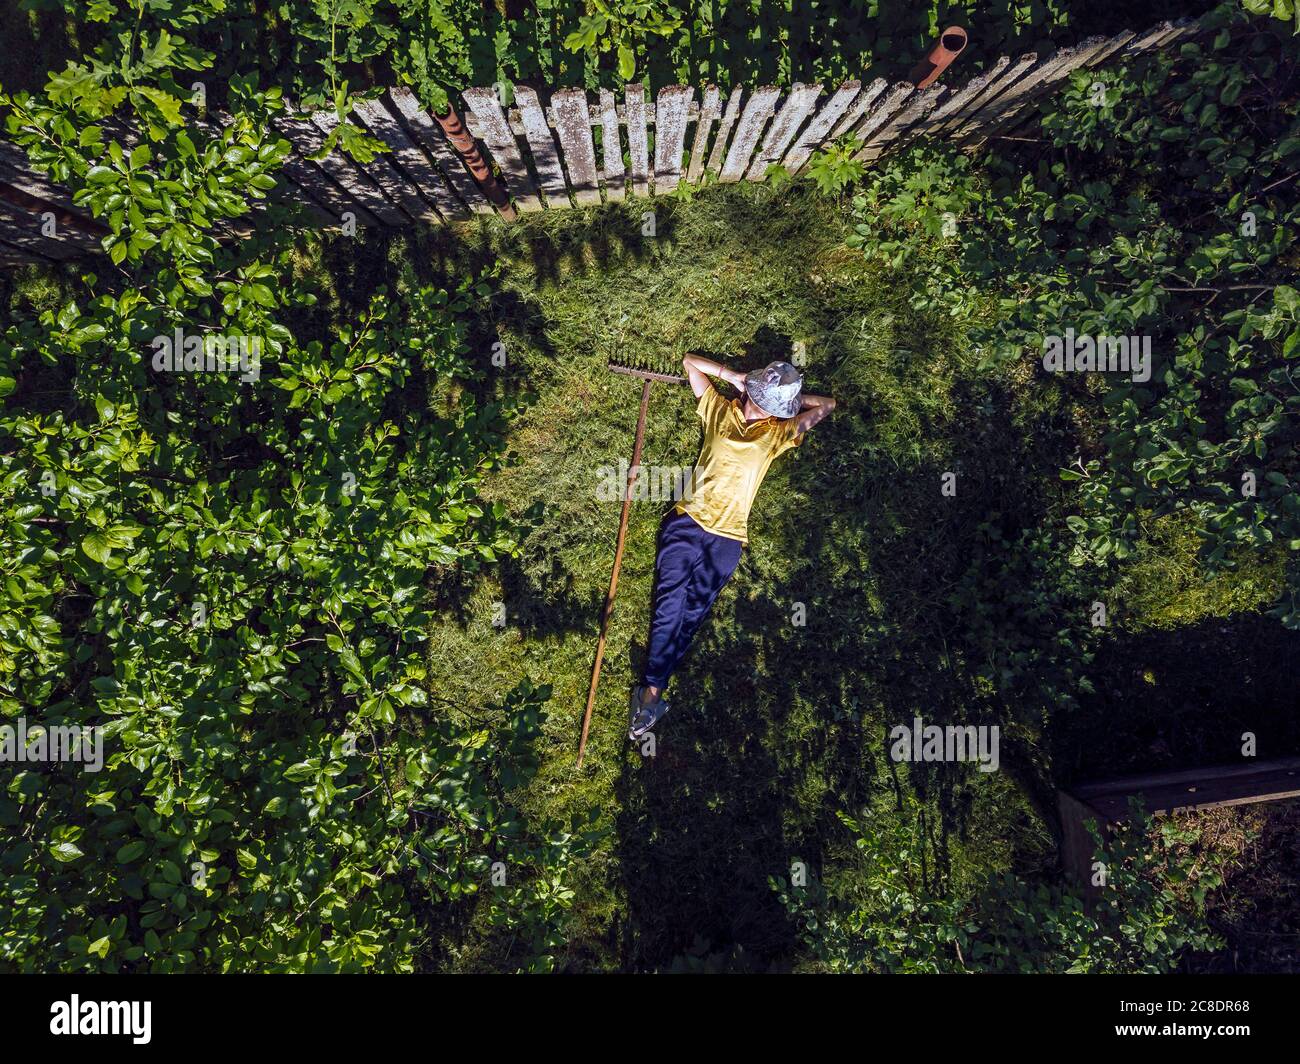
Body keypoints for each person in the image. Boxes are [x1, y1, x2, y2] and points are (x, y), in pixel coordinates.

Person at [629, 353, 836, 739]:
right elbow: (690, 363)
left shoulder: (779, 434)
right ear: (751, 389)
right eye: (764, 397)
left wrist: (789, 399)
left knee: (692, 615)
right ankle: (651, 691)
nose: (765, 408)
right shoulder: (720, 411)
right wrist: (736, 377)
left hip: (729, 539)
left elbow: (827, 405)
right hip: (687, 523)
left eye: (774, 404)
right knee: (669, 604)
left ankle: (651, 694)